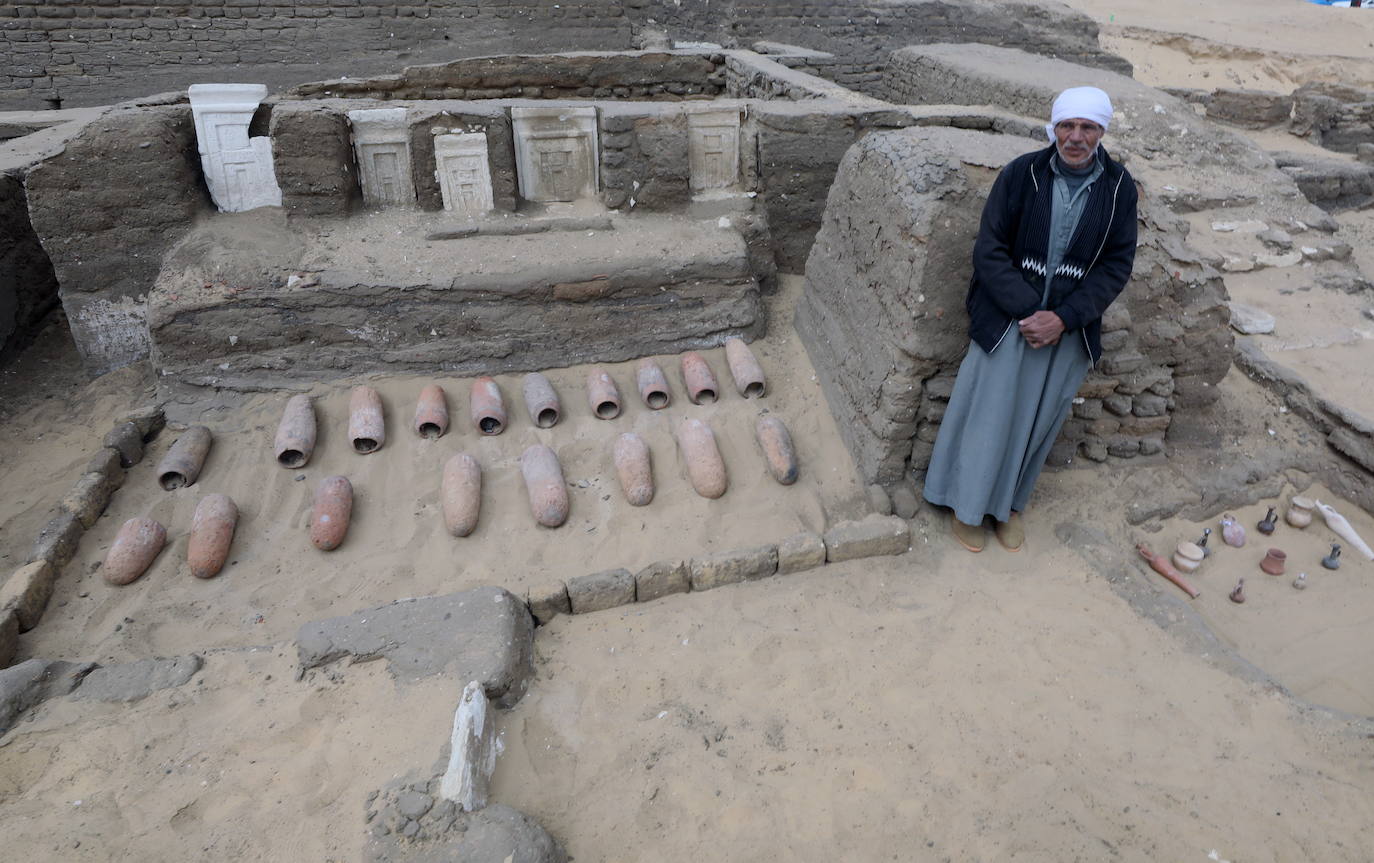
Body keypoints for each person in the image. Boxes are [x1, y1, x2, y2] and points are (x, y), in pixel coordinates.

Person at [921, 86, 1138, 553]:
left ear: (1101, 132)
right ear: (1053, 128)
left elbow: (1116, 265)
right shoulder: (1022, 174)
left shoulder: (1120, 188)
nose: (1076, 137)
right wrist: (1028, 311)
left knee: (1037, 424)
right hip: (1008, 322)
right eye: (1067, 126)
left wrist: (1062, 318)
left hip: (1067, 331)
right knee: (989, 416)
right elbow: (990, 249)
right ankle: (965, 506)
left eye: (1087, 128)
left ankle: (1008, 508)